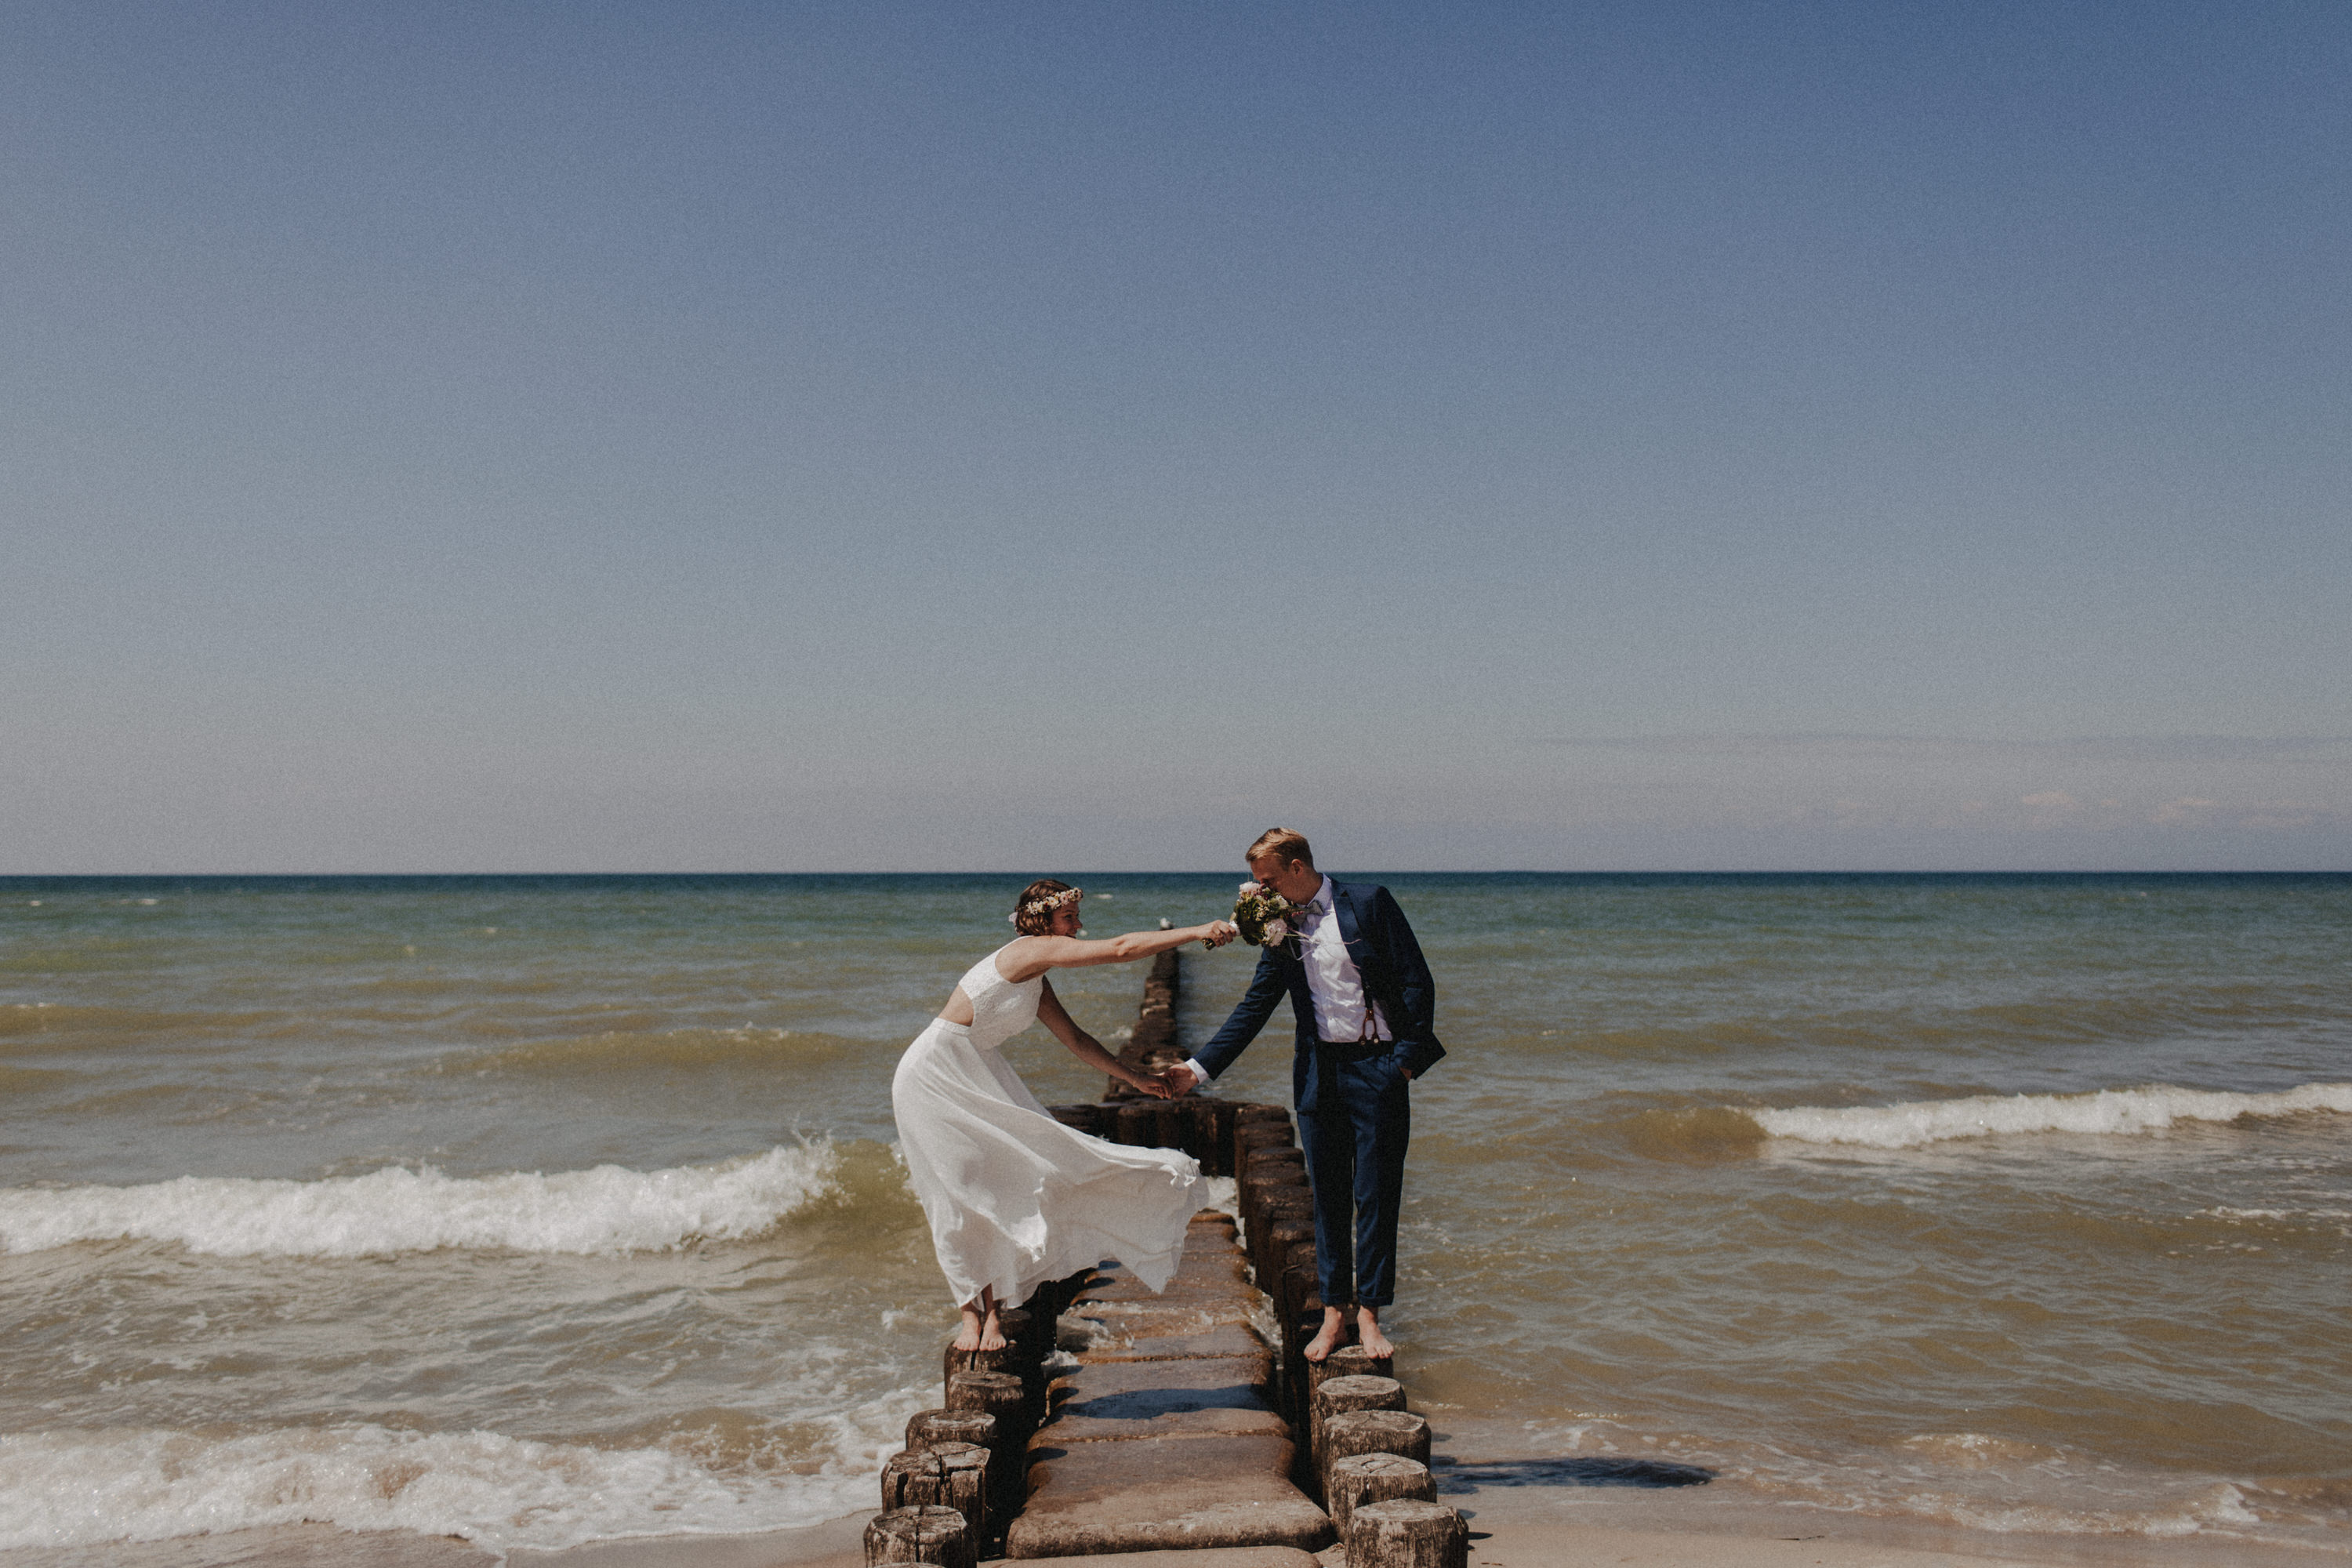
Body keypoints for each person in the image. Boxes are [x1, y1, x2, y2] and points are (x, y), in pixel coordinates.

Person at [893, 879, 1240, 1352]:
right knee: (956, 1194)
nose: (1078, 926)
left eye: (1077, 917)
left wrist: (1135, 1078)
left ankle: (994, 1314)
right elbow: (1120, 949)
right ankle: (969, 1316)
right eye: (1070, 918)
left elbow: (1077, 1041)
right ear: (1043, 922)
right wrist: (1196, 930)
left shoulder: (1037, 977)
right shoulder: (1026, 952)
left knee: (1000, 1183)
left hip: (973, 1069)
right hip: (931, 1075)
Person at [1167, 830, 1443, 1363]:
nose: (1258, 889)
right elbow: (1255, 1005)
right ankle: (1334, 1314)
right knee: (1329, 1198)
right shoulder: (1281, 927)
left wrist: (1403, 1063)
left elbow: (1416, 981)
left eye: (1267, 879)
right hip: (1320, 1073)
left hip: (1379, 1067)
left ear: (1297, 868)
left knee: (1377, 1195)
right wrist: (1197, 1070)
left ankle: (1371, 1315)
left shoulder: (1369, 902)